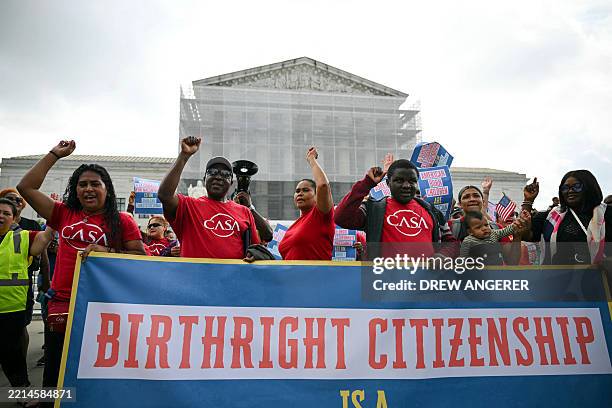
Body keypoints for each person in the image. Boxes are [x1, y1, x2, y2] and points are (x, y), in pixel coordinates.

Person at [16, 140, 146, 390]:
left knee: (93, 370)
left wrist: (106, 251)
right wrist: (54, 154)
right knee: (54, 370)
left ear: (107, 189)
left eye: (95, 184)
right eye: (82, 184)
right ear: (75, 191)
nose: (88, 189)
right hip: (62, 303)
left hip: (103, 306)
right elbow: (26, 187)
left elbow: (140, 258)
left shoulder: (122, 221)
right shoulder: (63, 214)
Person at [158, 136, 261, 259]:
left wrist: (254, 256)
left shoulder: (244, 212)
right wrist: (184, 156)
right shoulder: (188, 206)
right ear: (204, 179)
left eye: (225, 174)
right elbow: (164, 195)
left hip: (232, 277)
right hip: (195, 277)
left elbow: (254, 249)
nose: (218, 177)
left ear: (231, 183)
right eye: (212, 172)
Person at [334, 159, 456, 259]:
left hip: (424, 283)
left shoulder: (433, 212)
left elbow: (452, 244)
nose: (407, 186)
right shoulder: (373, 209)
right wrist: (366, 184)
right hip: (386, 284)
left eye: (412, 181)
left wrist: (442, 255)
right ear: (388, 183)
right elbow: (341, 218)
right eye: (399, 181)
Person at [0, 198, 53, 392]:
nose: (1, 216)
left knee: (12, 355)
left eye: (6, 213)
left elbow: (47, 236)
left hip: (11, 308)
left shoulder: (24, 237)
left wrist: (54, 213)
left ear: (14, 219)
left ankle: (22, 391)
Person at [522, 171, 611, 265]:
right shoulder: (550, 216)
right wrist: (528, 201)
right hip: (559, 276)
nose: (570, 191)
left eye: (577, 186)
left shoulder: (607, 213)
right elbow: (526, 234)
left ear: (589, 187)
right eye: (565, 188)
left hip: (600, 277)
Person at [278, 147, 335, 260]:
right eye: (297, 191)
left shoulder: (321, 216)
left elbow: (323, 185)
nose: (300, 194)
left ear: (316, 195)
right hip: (290, 277)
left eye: (306, 190)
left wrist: (311, 159)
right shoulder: (293, 227)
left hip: (315, 276)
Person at [449, 183, 524, 264]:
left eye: (476, 196)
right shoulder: (451, 227)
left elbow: (512, 261)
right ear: (460, 204)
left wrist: (517, 235)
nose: (472, 199)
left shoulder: (497, 227)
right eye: (466, 197)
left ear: (483, 201)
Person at [460, 210, 530, 265]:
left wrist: (516, 224)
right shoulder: (468, 241)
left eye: (486, 225)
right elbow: (463, 258)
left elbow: (506, 230)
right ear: (470, 232)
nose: (484, 228)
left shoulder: (494, 233)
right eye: (478, 227)